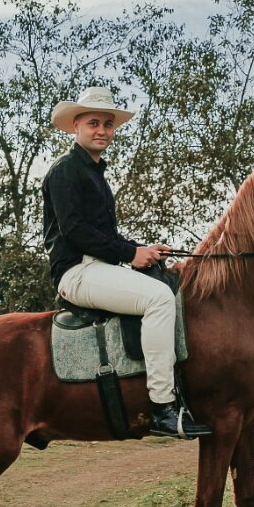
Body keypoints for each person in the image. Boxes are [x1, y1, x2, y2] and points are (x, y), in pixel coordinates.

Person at [41, 85, 210, 438]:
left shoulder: (94, 171)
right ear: (75, 126)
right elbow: (75, 231)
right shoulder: (65, 171)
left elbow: (103, 237)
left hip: (99, 267)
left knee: (164, 285)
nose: (102, 130)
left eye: (108, 124)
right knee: (158, 299)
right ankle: (163, 407)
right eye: (93, 123)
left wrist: (142, 251)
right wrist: (131, 254)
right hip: (77, 272)